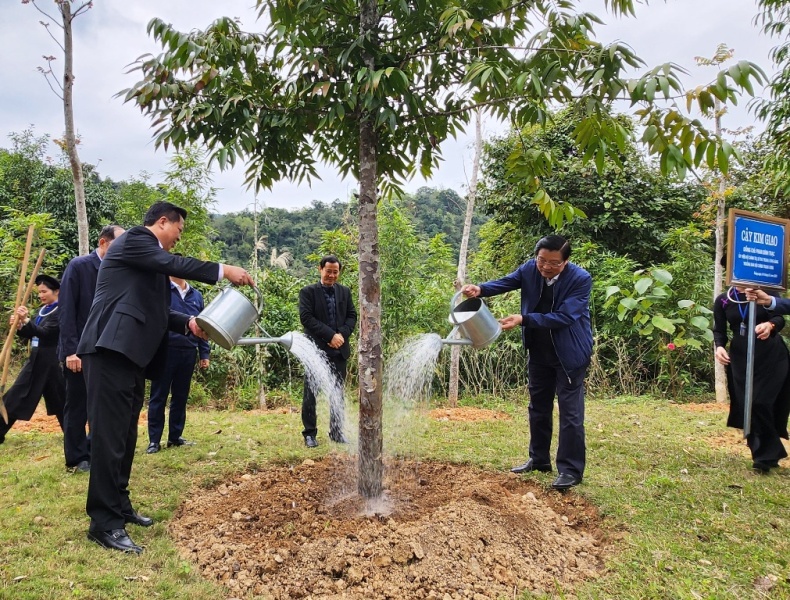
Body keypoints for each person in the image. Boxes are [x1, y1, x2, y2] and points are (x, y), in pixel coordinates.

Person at [76, 201, 253, 554]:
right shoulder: (136, 240)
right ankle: (103, 522)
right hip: (108, 350)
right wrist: (223, 269)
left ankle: (120, 506)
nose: (178, 239)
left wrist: (188, 322)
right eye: (179, 230)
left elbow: (157, 310)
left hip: (129, 356)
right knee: (109, 439)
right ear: (161, 222)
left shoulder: (147, 264)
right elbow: (173, 264)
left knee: (124, 438)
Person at [461, 235, 593, 490]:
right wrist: (481, 289)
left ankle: (570, 470)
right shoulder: (530, 268)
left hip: (569, 354)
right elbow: (508, 282)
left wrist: (524, 319)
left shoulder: (580, 280)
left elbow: (565, 316)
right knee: (538, 407)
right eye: (541, 260)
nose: (545, 267)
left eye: (553, 263)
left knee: (571, 414)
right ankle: (539, 459)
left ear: (566, 262)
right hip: (539, 351)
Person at [58, 224, 124, 473]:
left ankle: (94, 450)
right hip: (79, 351)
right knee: (77, 405)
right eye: (118, 243)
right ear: (103, 242)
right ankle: (76, 457)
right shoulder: (80, 266)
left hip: (103, 350)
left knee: (99, 406)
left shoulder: (118, 270)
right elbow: (66, 311)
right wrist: (71, 351)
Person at [722, 287, 790, 472]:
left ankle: (767, 452)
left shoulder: (766, 293)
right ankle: (764, 455)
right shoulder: (725, 300)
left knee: (762, 402)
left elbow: (780, 317)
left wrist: (770, 326)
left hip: (771, 355)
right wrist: (719, 347)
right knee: (748, 404)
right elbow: (719, 329)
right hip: (741, 357)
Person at [146, 273, 210, 454]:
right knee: (159, 395)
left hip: (188, 351)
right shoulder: (162, 291)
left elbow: (203, 325)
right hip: (165, 350)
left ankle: (175, 436)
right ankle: (154, 440)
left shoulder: (196, 295)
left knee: (180, 396)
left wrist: (204, 353)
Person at [298, 255, 357, 448]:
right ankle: (309, 434)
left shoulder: (344, 292)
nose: (332, 275)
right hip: (315, 351)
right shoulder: (307, 292)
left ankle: (337, 431)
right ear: (320, 269)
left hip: (339, 350)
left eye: (335, 272)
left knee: (337, 393)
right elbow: (306, 318)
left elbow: (352, 316)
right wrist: (330, 335)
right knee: (310, 394)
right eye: (328, 271)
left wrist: (341, 335)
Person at [0, 274, 65, 444]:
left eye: (44, 292)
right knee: (16, 395)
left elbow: (47, 333)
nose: (41, 295)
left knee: (61, 400)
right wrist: (20, 324)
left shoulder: (61, 310)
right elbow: (32, 333)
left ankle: (74, 437)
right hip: (37, 358)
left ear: (56, 291)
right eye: (39, 293)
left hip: (52, 361)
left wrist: (27, 320)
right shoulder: (42, 310)